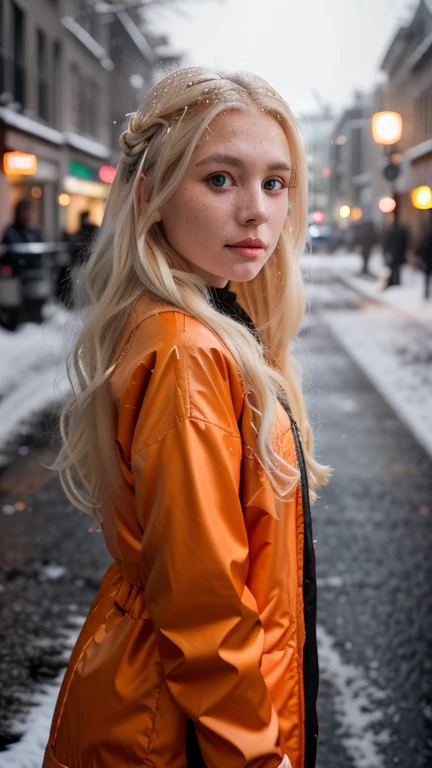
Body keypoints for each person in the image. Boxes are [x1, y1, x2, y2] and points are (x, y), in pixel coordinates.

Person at [43, 67, 331, 768]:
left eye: (275, 182)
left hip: (164, 709)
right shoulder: (187, 351)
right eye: (221, 178)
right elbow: (205, 615)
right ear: (152, 194)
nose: (258, 211)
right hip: (177, 733)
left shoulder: (203, 326)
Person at [382, 210, 409, 288]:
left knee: (394, 269)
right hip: (398, 254)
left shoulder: (392, 231)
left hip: (395, 253)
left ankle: (395, 283)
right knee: (395, 269)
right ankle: (395, 283)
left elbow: (387, 243)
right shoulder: (401, 231)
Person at [416, 212, 432, 299]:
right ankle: (426, 294)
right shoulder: (427, 233)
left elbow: (422, 245)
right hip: (428, 258)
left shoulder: (427, 233)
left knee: (427, 278)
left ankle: (426, 294)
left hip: (428, 259)